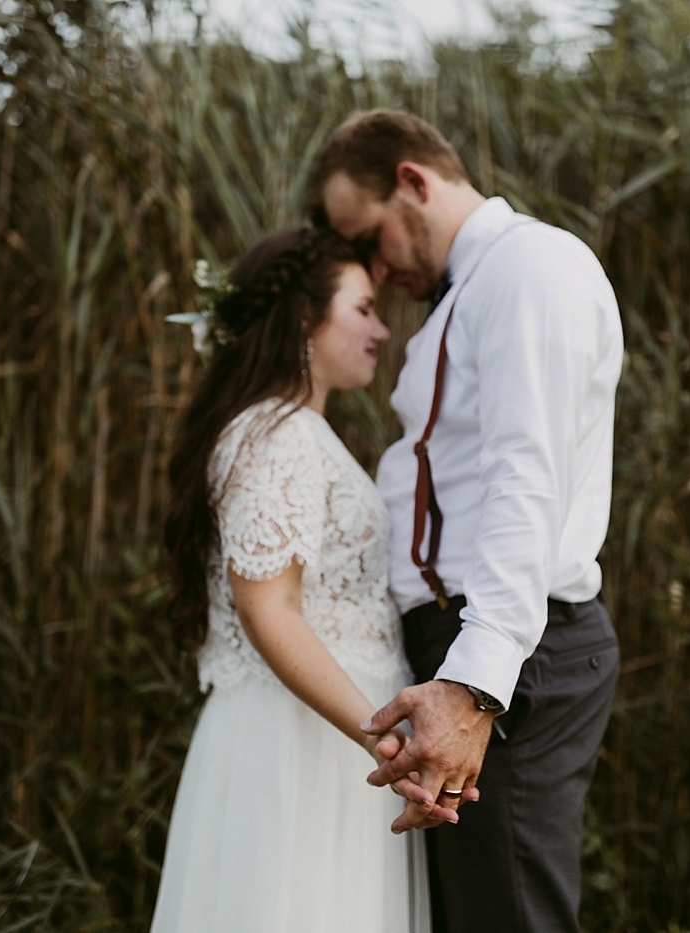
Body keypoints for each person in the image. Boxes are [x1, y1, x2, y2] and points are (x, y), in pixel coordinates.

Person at [309, 110, 623, 933]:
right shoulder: (468, 297)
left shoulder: (531, 267)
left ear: (414, 182)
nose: (374, 266)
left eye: (370, 236)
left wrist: (475, 683)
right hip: (470, 645)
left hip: (508, 651)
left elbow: (528, 478)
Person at [151, 227, 457, 932]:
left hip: (330, 737)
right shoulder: (275, 433)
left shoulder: (299, 430)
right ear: (302, 318)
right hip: (300, 743)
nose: (381, 329)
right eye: (363, 308)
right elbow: (270, 610)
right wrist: (381, 740)